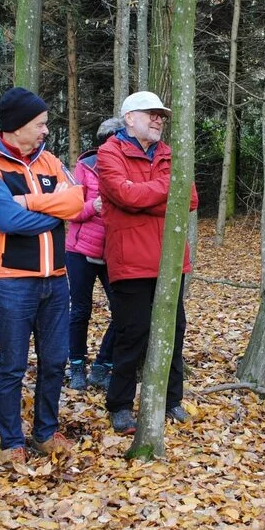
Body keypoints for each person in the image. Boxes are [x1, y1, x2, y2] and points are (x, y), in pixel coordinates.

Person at [0, 87, 83, 464]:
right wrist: (55, 213)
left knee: (55, 361)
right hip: (10, 282)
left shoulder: (50, 161)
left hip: (56, 280)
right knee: (12, 366)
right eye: (39, 124)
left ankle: (45, 432)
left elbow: (78, 201)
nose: (45, 131)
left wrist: (29, 202)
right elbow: (8, 219)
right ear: (17, 126)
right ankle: (10, 441)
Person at [97, 91, 199, 435]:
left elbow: (191, 198)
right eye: (151, 114)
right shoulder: (109, 152)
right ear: (129, 118)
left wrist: (147, 195)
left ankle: (171, 401)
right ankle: (121, 405)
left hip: (170, 261)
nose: (158, 119)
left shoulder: (171, 154)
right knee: (132, 333)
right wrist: (166, 190)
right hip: (130, 261)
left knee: (175, 332)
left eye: (161, 115)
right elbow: (124, 195)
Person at [66, 117, 122, 391]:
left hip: (114, 251)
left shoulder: (128, 168)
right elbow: (70, 209)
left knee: (123, 311)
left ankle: (103, 365)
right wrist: (93, 206)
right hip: (80, 250)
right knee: (80, 310)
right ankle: (76, 366)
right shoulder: (85, 167)